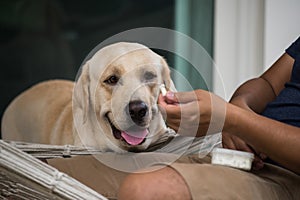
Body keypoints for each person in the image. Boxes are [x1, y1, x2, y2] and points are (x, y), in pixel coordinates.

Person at [118, 37, 300, 199]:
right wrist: (239, 106)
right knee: (96, 170)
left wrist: (234, 120)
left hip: (287, 175)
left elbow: (235, 120)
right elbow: (268, 84)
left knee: (146, 189)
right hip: (239, 160)